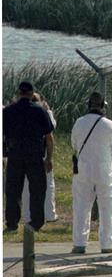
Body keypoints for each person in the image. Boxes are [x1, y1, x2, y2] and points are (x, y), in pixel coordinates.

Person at [69, 92, 112, 254]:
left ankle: (80, 243)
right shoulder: (109, 124)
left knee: (81, 206)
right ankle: (107, 243)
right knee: (107, 207)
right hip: (104, 169)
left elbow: (74, 145)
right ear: (103, 106)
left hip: (83, 168)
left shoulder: (79, 122)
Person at [3, 80, 55, 231]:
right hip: (34, 154)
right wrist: (49, 158)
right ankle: (36, 222)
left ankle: (12, 223)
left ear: (19, 94)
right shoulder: (40, 111)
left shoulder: (8, 111)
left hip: (15, 154)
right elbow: (49, 137)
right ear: (32, 94)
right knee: (37, 189)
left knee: (13, 190)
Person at [21, 93, 59, 224]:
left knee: (27, 186)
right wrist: (48, 110)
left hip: (25, 153)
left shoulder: (22, 112)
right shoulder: (43, 113)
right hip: (41, 153)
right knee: (48, 184)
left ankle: (27, 215)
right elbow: (52, 128)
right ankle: (49, 213)